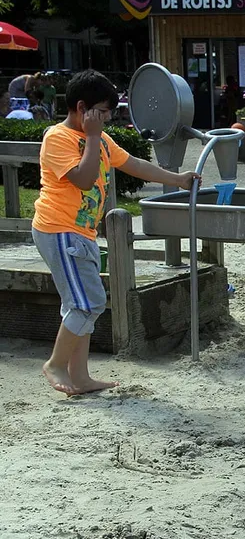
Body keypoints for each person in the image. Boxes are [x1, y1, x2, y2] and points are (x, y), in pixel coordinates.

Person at [32, 70, 201, 396]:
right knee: (88, 302)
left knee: (79, 304)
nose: (108, 119)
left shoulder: (101, 139)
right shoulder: (58, 138)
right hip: (59, 230)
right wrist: (93, 137)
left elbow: (134, 164)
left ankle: (79, 376)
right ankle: (55, 364)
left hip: (80, 233)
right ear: (83, 108)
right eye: (103, 112)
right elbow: (81, 179)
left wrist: (176, 179)